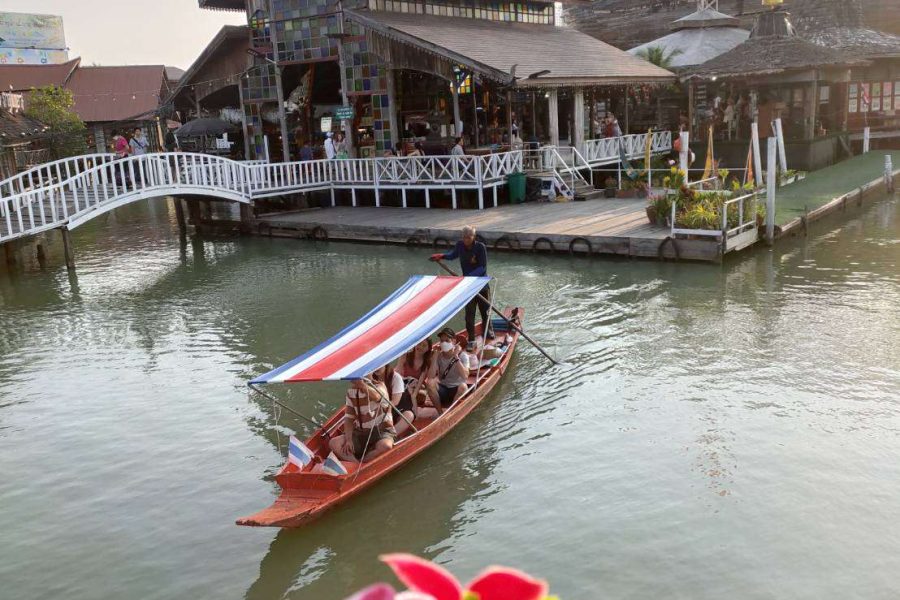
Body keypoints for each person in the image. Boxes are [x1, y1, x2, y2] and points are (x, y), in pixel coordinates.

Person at [429, 225, 492, 349]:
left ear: (474, 237)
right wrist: (441, 256)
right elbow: (453, 255)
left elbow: (482, 268)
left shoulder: (480, 247)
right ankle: (472, 339)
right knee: (469, 314)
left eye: (469, 237)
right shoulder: (460, 245)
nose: (466, 240)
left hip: (481, 285)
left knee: (485, 311)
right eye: (464, 237)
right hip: (467, 286)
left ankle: (488, 331)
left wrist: (468, 277)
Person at [329, 370, 396, 462]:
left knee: (386, 446)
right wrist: (349, 440)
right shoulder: (351, 392)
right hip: (361, 432)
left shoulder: (380, 386)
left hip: (381, 431)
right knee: (334, 443)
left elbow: (377, 397)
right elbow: (349, 419)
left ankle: (363, 462)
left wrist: (362, 385)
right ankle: (356, 464)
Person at [425, 327, 470, 414]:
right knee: (430, 383)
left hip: (457, 391)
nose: (444, 343)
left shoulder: (463, 356)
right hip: (444, 389)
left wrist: (456, 356)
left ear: (453, 341)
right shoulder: (439, 356)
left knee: (463, 387)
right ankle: (440, 413)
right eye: (442, 341)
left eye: (447, 340)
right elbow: (430, 376)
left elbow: (465, 375)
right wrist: (434, 356)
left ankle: (451, 413)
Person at [398, 337, 439, 421]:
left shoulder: (426, 363)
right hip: (402, 385)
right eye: (419, 344)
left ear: (428, 349)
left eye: (424, 345)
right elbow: (397, 374)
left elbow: (415, 392)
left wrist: (415, 413)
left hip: (416, 389)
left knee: (420, 395)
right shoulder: (405, 356)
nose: (420, 347)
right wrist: (408, 381)